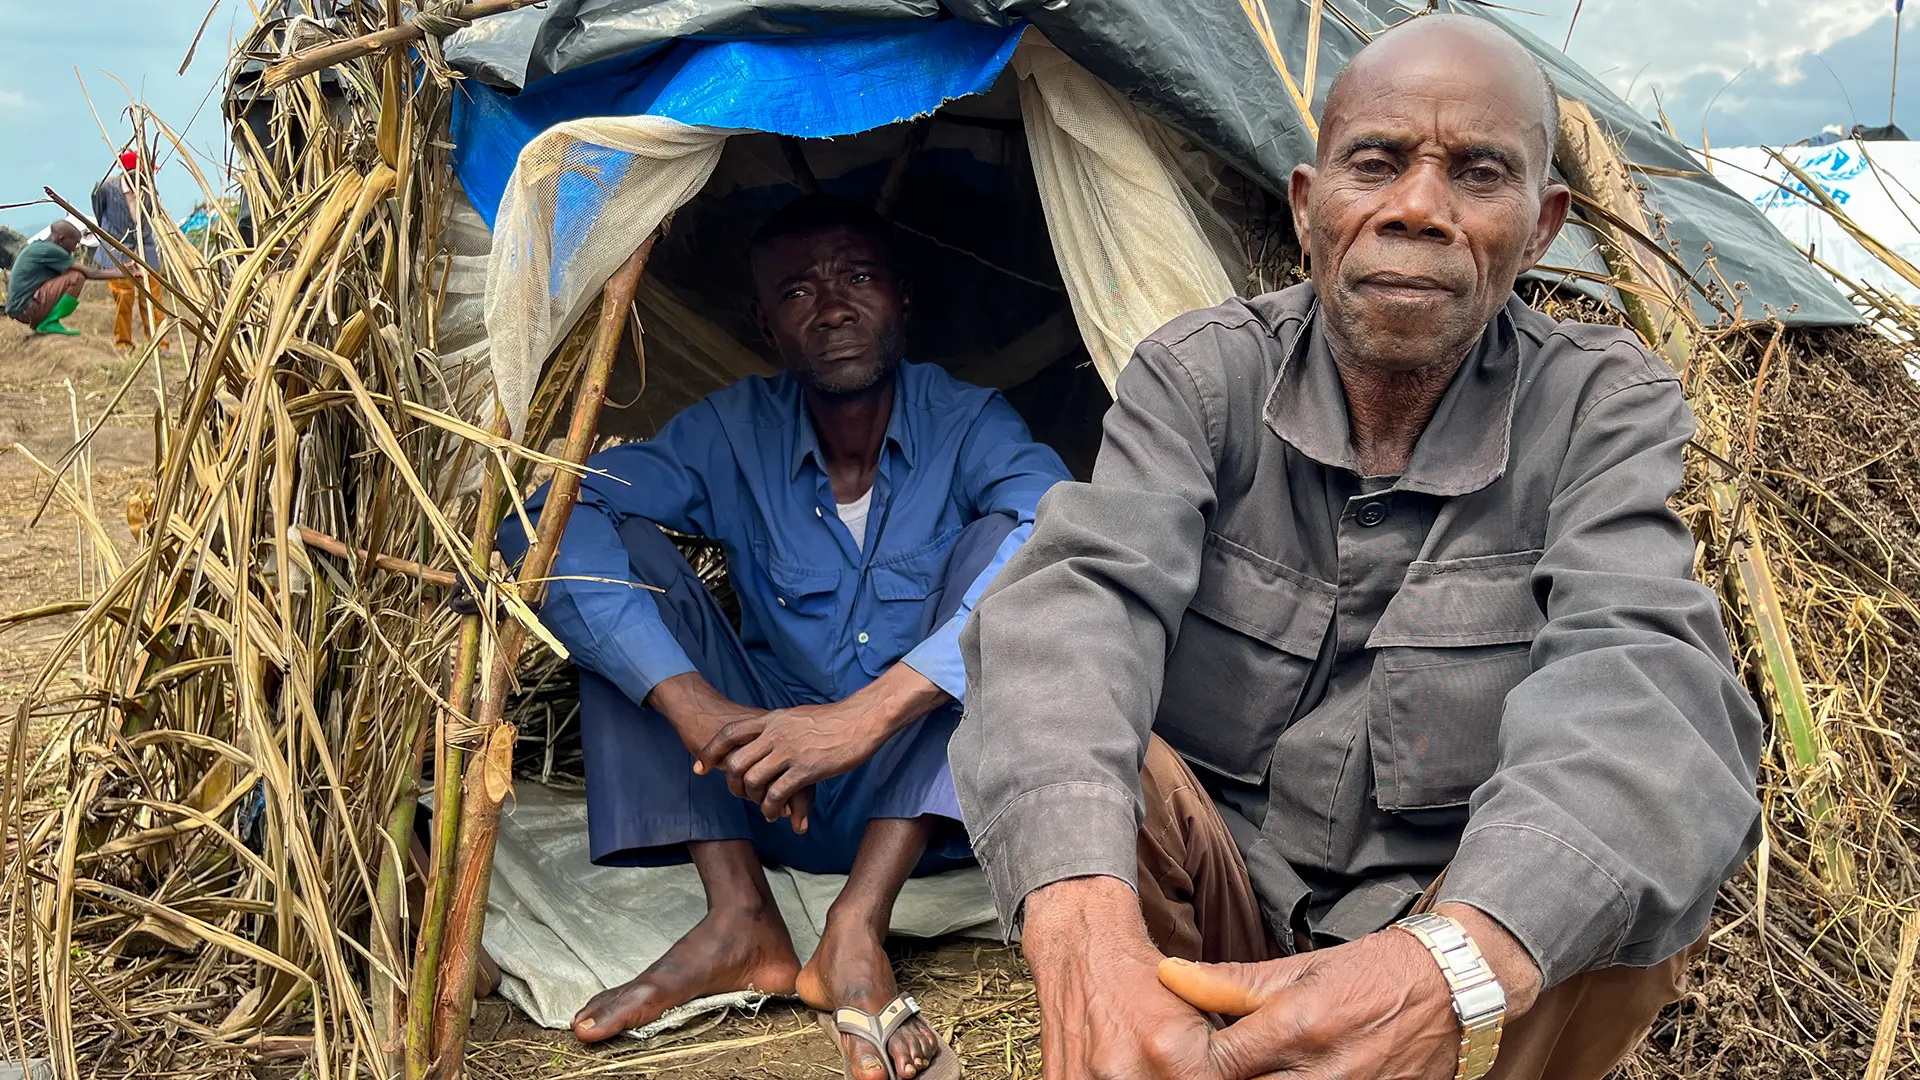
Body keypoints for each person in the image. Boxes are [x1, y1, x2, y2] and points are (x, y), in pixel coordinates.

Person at [954, 15, 1761, 1080]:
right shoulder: (1201, 378)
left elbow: (1646, 671)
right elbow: (1079, 607)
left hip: (1449, 929)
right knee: (1088, 769)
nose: (1417, 209)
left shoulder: (1599, 406)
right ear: (1308, 206)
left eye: (1478, 174)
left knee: (1629, 839)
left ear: (1544, 226)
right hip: (1219, 923)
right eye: (1374, 164)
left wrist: (1458, 965)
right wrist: (1077, 925)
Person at [501, 194, 1069, 1080]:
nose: (833, 307)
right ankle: (740, 916)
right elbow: (544, 515)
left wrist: (868, 715)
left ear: (903, 297)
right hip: (759, 785)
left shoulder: (967, 421)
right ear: (766, 325)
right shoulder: (733, 430)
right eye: (798, 292)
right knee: (615, 551)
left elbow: (1059, 529)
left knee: (1008, 553)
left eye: (857, 278)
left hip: (923, 801)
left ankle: (857, 922)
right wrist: (696, 710)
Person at [91, 150, 165, 352]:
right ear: (130, 173)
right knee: (124, 298)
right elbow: (98, 212)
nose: (147, 177)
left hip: (146, 251)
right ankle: (123, 343)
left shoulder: (149, 192)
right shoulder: (106, 190)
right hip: (118, 252)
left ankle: (160, 343)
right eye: (142, 173)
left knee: (153, 299)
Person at [6, 221, 126, 336]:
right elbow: (90, 273)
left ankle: (45, 321)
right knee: (76, 276)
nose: (74, 249)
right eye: (75, 243)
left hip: (21, 310)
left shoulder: (38, 246)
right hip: (26, 310)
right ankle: (49, 322)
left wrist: (123, 268)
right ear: (61, 239)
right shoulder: (51, 250)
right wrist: (125, 273)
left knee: (70, 274)